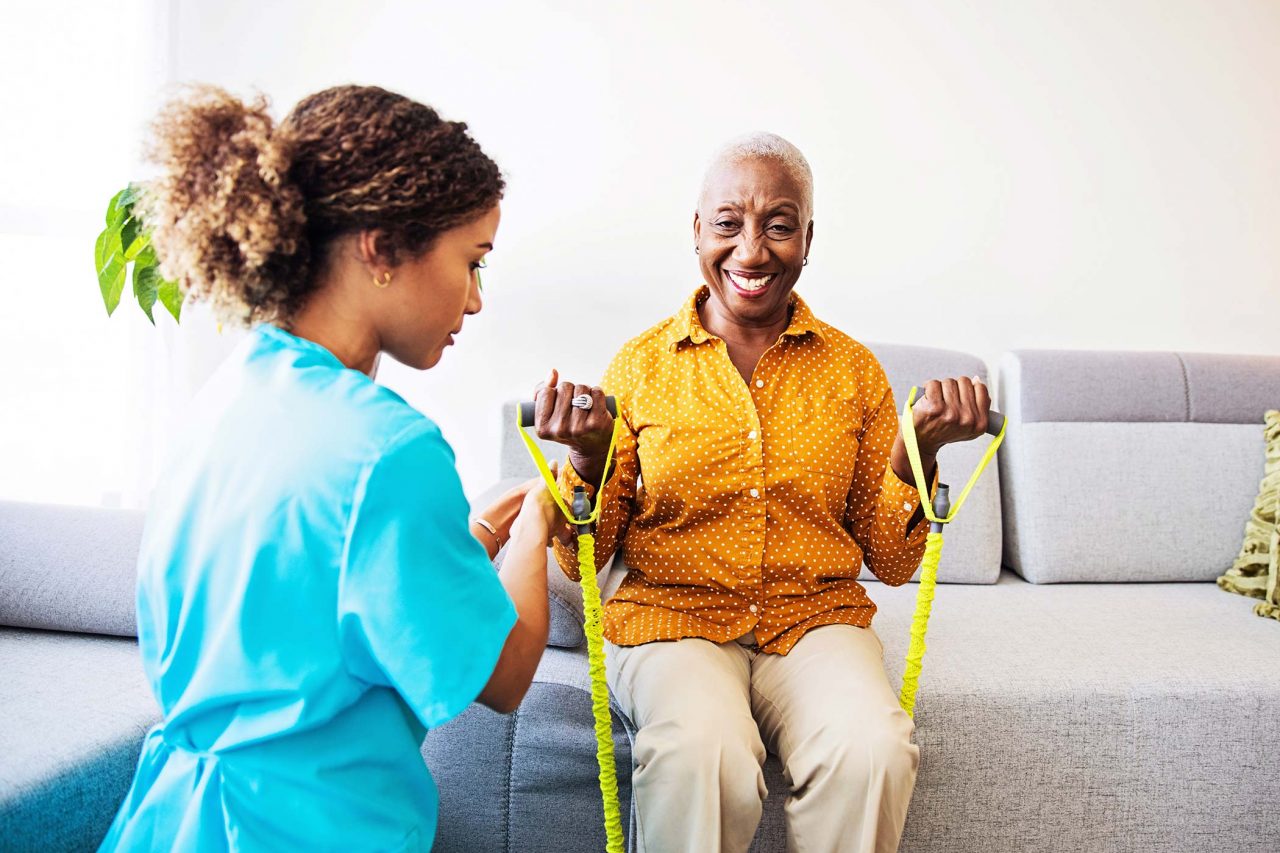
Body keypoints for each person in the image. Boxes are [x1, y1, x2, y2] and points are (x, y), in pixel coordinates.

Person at [98, 84, 558, 852]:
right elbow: (505, 674)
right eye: (471, 261)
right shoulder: (391, 448)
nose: (475, 300)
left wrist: (472, 531)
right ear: (380, 247)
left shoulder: (226, 396)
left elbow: (326, 601)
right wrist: (539, 521)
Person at [535, 133, 991, 853]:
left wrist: (918, 450)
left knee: (871, 749)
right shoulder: (641, 364)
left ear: (808, 238)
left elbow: (894, 560)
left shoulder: (853, 370)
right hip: (673, 616)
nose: (751, 250)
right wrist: (587, 461)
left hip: (813, 619)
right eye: (728, 223)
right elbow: (582, 559)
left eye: (779, 224)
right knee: (703, 756)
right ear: (696, 232)